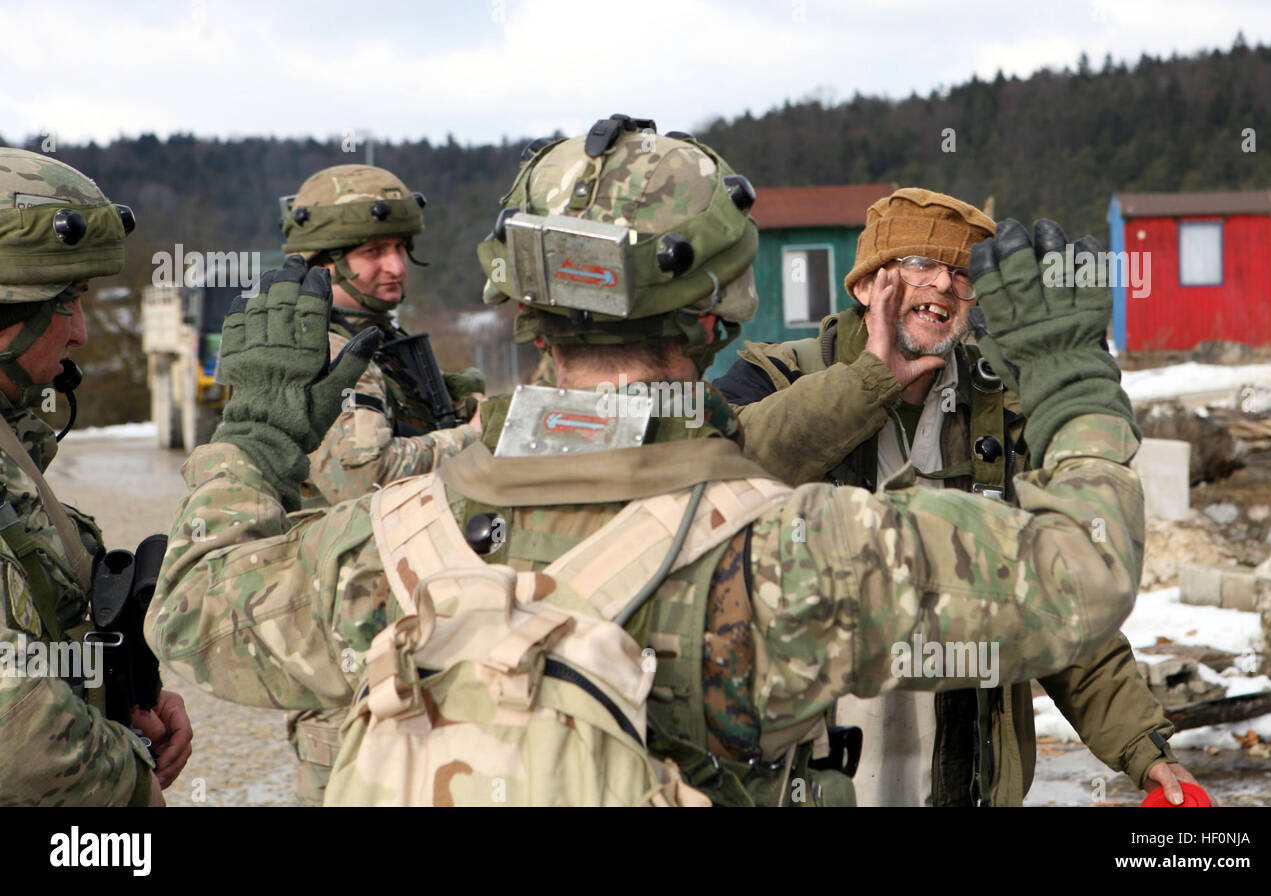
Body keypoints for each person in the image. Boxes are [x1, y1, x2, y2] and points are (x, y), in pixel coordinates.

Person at [146, 120, 1146, 806]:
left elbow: (193, 598)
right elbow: (1083, 570)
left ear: (522, 304)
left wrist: (259, 430)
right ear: (717, 309)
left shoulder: (385, 543)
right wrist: (1067, 375)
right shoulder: (797, 557)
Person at [716, 187, 1198, 806]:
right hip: (805, 765)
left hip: (961, 773)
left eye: (962, 273)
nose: (943, 284)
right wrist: (867, 384)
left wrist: (1143, 747)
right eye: (920, 264)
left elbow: (1056, 592)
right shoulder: (771, 378)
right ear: (866, 285)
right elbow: (716, 470)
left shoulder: (998, 415)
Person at [277, 164, 484, 803]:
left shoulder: (368, 341)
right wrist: (475, 436)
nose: (393, 265)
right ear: (326, 264)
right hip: (344, 625)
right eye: (372, 253)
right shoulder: (326, 352)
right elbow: (362, 473)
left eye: (399, 249)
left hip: (383, 610)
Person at [0, 148, 192, 805]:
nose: (81, 332)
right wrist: (130, 768)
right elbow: (22, 742)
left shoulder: (13, 446)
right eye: (67, 302)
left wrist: (125, 695)